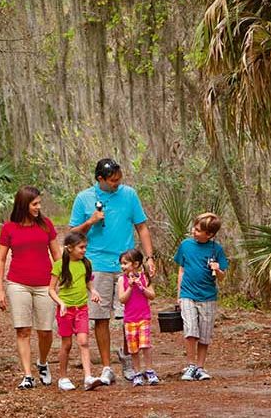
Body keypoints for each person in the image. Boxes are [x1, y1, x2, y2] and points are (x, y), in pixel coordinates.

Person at [69, 158, 156, 384]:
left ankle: (129, 358)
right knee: (100, 317)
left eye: (119, 179)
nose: (117, 183)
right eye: (112, 180)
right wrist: (91, 221)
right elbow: (72, 234)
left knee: (131, 314)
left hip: (127, 263)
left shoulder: (129, 195)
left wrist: (149, 257)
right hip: (97, 263)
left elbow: (142, 227)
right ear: (100, 179)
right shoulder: (84, 198)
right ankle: (107, 367)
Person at [0, 186, 61, 389]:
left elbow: (57, 255)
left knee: (45, 330)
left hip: (44, 284)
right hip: (18, 283)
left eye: (39, 203)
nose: (38, 207)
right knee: (23, 329)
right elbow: (1, 259)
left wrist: (62, 280)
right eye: (35, 204)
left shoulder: (46, 225)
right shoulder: (9, 228)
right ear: (24, 205)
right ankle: (27, 375)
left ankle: (42, 362)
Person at [173, 212, 229, 381]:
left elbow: (222, 276)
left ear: (209, 234)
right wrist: (178, 294)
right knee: (190, 330)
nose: (194, 231)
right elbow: (181, 270)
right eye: (194, 228)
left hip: (208, 297)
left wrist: (217, 269)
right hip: (188, 294)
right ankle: (190, 365)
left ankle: (200, 367)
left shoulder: (216, 249)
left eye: (198, 230)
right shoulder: (185, 245)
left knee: (204, 334)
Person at [48, 232, 104, 391]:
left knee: (84, 341)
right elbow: (51, 290)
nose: (84, 250)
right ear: (70, 248)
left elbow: (88, 283)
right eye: (81, 247)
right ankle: (63, 377)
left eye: (85, 247)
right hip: (66, 311)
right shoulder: (59, 265)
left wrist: (94, 291)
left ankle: (88, 377)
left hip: (82, 309)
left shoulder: (86, 263)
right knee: (66, 344)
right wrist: (61, 303)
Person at [117, 248, 159, 386]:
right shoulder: (121, 280)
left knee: (145, 345)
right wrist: (130, 287)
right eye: (121, 264)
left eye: (125, 263)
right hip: (130, 319)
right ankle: (137, 372)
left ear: (135, 264)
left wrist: (141, 287)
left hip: (144, 317)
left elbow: (152, 295)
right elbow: (122, 299)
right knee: (133, 348)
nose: (122, 266)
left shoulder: (144, 277)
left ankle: (149, 370)